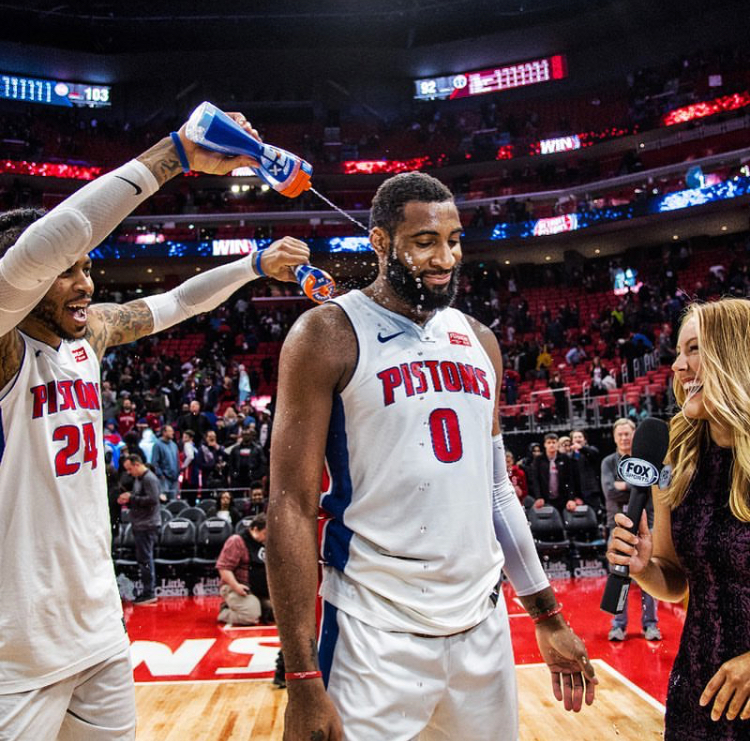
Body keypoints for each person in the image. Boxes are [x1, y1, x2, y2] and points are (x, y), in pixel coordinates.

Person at [0, 110, 310, 739]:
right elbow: (46, 243)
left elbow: (177, 303)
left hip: (97, 631)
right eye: (70, 270)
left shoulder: (92, 336)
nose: (86, 283)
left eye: (89, 267)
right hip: (14, 649)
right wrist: (175, 155)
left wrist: (253, 265)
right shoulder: (4, 344)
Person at [266, 171, 596, 741]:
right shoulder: (328, 334)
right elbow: (290, 506)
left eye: (455, 240)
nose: (445, 257)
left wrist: (547, 615)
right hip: (374, 630)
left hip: (481, 624)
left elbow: (497, 492)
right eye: (424, 242)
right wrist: (300, 674)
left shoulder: (479, 339)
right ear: (379, 242)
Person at [608, 299, 750, 739]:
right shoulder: (678, 454)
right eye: (677, 353)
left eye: (693, 350)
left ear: (733, 355)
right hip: (699, 689)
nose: (677, 366)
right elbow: (675, 580)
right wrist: (643, 567)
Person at [601, 418, 661, 642]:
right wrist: (638, 486)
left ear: (635, 435)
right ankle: (618, 625)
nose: (625, 438)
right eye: (620, 434)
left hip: (648, 525)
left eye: (628, 434)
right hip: (617, 527)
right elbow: (610, 491)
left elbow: (656, 492)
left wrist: (624, 485)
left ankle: (650, 625)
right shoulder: (608, 462)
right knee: (619, 575)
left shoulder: (649, 461)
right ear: (615, 437)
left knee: (648, 576)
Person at [118, 454, 161, 604]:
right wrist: (129, 496)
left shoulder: (149, 479)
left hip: (147, 524)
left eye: (130, 469)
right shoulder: (139, 479)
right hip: (141, 523)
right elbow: (140, 497)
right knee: (144, 559)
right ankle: (147, 591)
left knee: (145, 559)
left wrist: (132, 498)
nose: (129, 472)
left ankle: (149, 592)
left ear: (137, 465)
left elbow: (153, 499)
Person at [216, 514, 271, 625]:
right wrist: (236, 586)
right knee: (250, 617)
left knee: (276, 613)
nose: (267, 537)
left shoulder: (263, 543)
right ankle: (224, 612)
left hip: (258, 590)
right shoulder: (236, 541)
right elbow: (223, 568)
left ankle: (257, 605)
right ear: (255, 529)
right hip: (239, 587)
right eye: (265, 533)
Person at [530, 432, 577, 512]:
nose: (551, 445)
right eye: (549, 442)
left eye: (554, 442)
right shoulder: (538, 460)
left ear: (558, 444)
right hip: (545, 499)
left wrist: (571, 498)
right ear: (545, 444)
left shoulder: (564, 458)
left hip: (562, 498)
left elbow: (570, 480)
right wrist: (538, 497)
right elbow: (535, 480)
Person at [151, 423, 180, 500]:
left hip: (175, 478)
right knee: (163, 500)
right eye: (170, 431)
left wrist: (178, 472)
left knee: (174, 501)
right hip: (164, 478)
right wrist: (160, 475)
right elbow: (154, 462)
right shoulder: (157, 445)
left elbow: (177, 460)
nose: (172, 433)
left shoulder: (174, 445)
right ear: (164, 432)